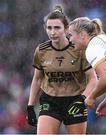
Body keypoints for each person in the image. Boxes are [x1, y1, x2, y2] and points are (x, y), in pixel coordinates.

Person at [26, 6, 97, 134]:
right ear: (45, 28)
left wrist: (83, 99)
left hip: (75, 101)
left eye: (57, 28)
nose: (52, 32)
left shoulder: (78, 49)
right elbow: (37, 79)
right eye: (49, 28)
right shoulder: (41, 50)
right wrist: (30, 105)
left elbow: (93, 79)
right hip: (50, 101)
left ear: (66, 28)